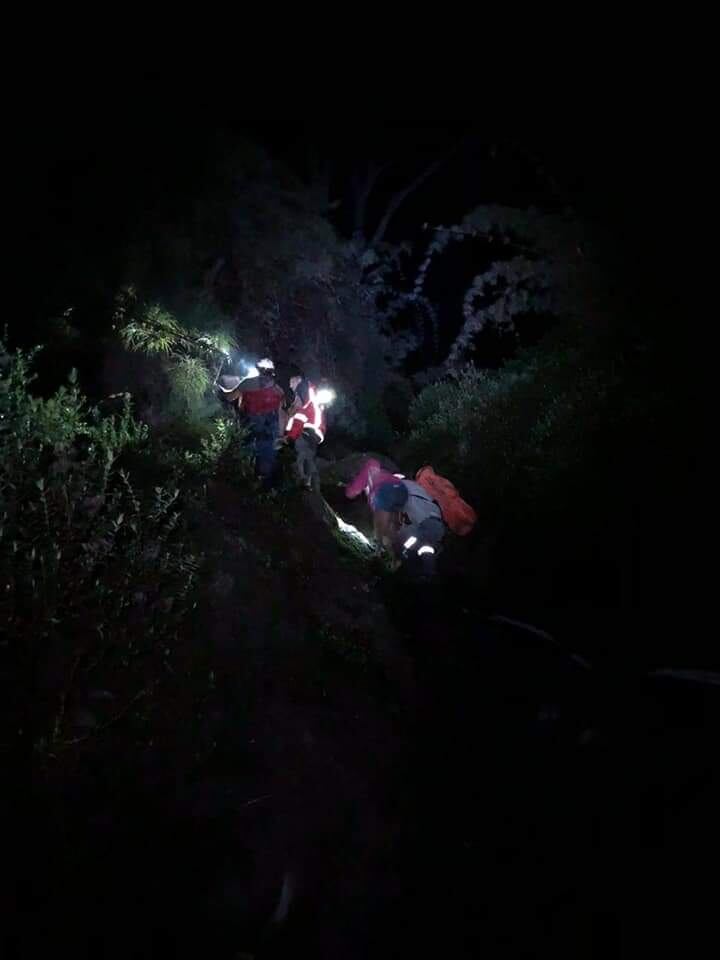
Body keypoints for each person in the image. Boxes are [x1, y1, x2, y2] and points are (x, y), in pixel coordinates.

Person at [232, 358, 285, 487]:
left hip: (250, 422)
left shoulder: (247, 383)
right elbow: (281, 414)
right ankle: (263, 486)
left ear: (258, 369)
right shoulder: (278, 390)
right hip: (269, 427)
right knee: (266, 456)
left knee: (247, 451)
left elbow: (231, 397)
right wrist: (281, 435)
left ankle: (243, 481)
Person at [345, 458, 409, 553]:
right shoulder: (384, 474)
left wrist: (348, 487)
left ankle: (377, 550)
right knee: (391, 524)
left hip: (386, 490)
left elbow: (351, 492)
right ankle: (395, 553)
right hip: (402, 491)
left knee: (379, 521)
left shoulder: (368, 471)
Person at [284, 374, 327, 491]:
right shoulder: (313, 395)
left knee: (302, 454)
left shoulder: (303, 392)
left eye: (291, 383)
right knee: (309, 456)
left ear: (297, 382)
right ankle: (311, 482)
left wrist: (290, 436)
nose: (290, 386)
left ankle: (304, 480)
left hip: (306, 430)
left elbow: (300, 417)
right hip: (316, 433)